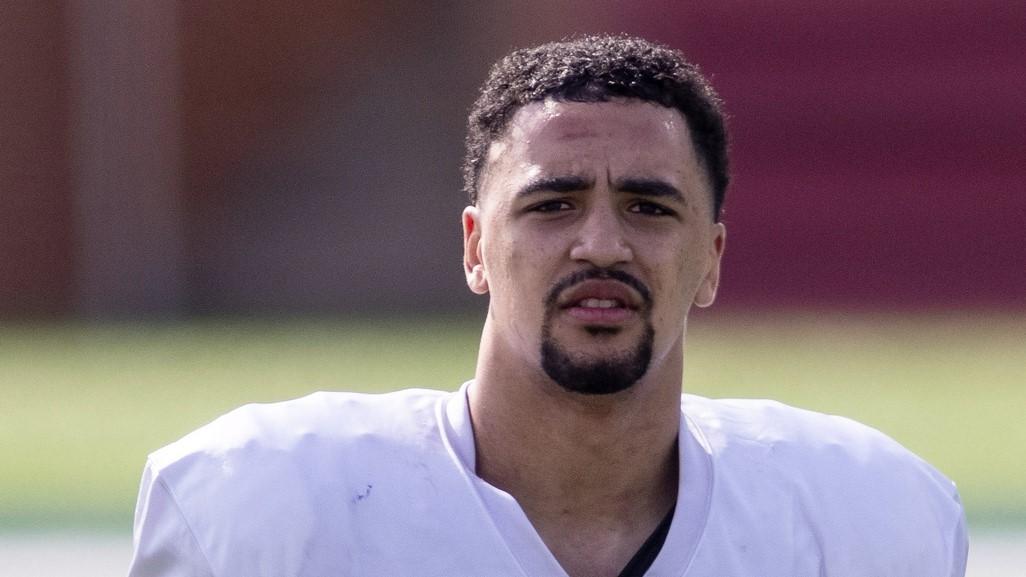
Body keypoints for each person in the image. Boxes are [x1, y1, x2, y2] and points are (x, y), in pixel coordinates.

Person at [128, 35, 968, 577]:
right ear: (474, 248)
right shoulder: (266, 508)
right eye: (552, 203)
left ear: (710, 260)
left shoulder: (864, 523)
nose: (601, 244)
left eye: (649, 206)